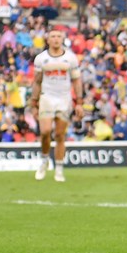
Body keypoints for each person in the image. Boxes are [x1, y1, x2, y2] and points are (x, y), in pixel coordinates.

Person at [28, 26, 83, 182]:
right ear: (48, 39)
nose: (56, 39)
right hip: (47, 97)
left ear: (62, 38)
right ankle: (45, 159)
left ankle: (59, 168)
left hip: (64, 99)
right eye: (53, 36)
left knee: (59, 135)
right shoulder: (41, 59)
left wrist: (79, 102)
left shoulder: (70, 58)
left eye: (58, 36)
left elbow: (76, 80)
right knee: (45, 132)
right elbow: (37, 81)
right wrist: (33, 102)